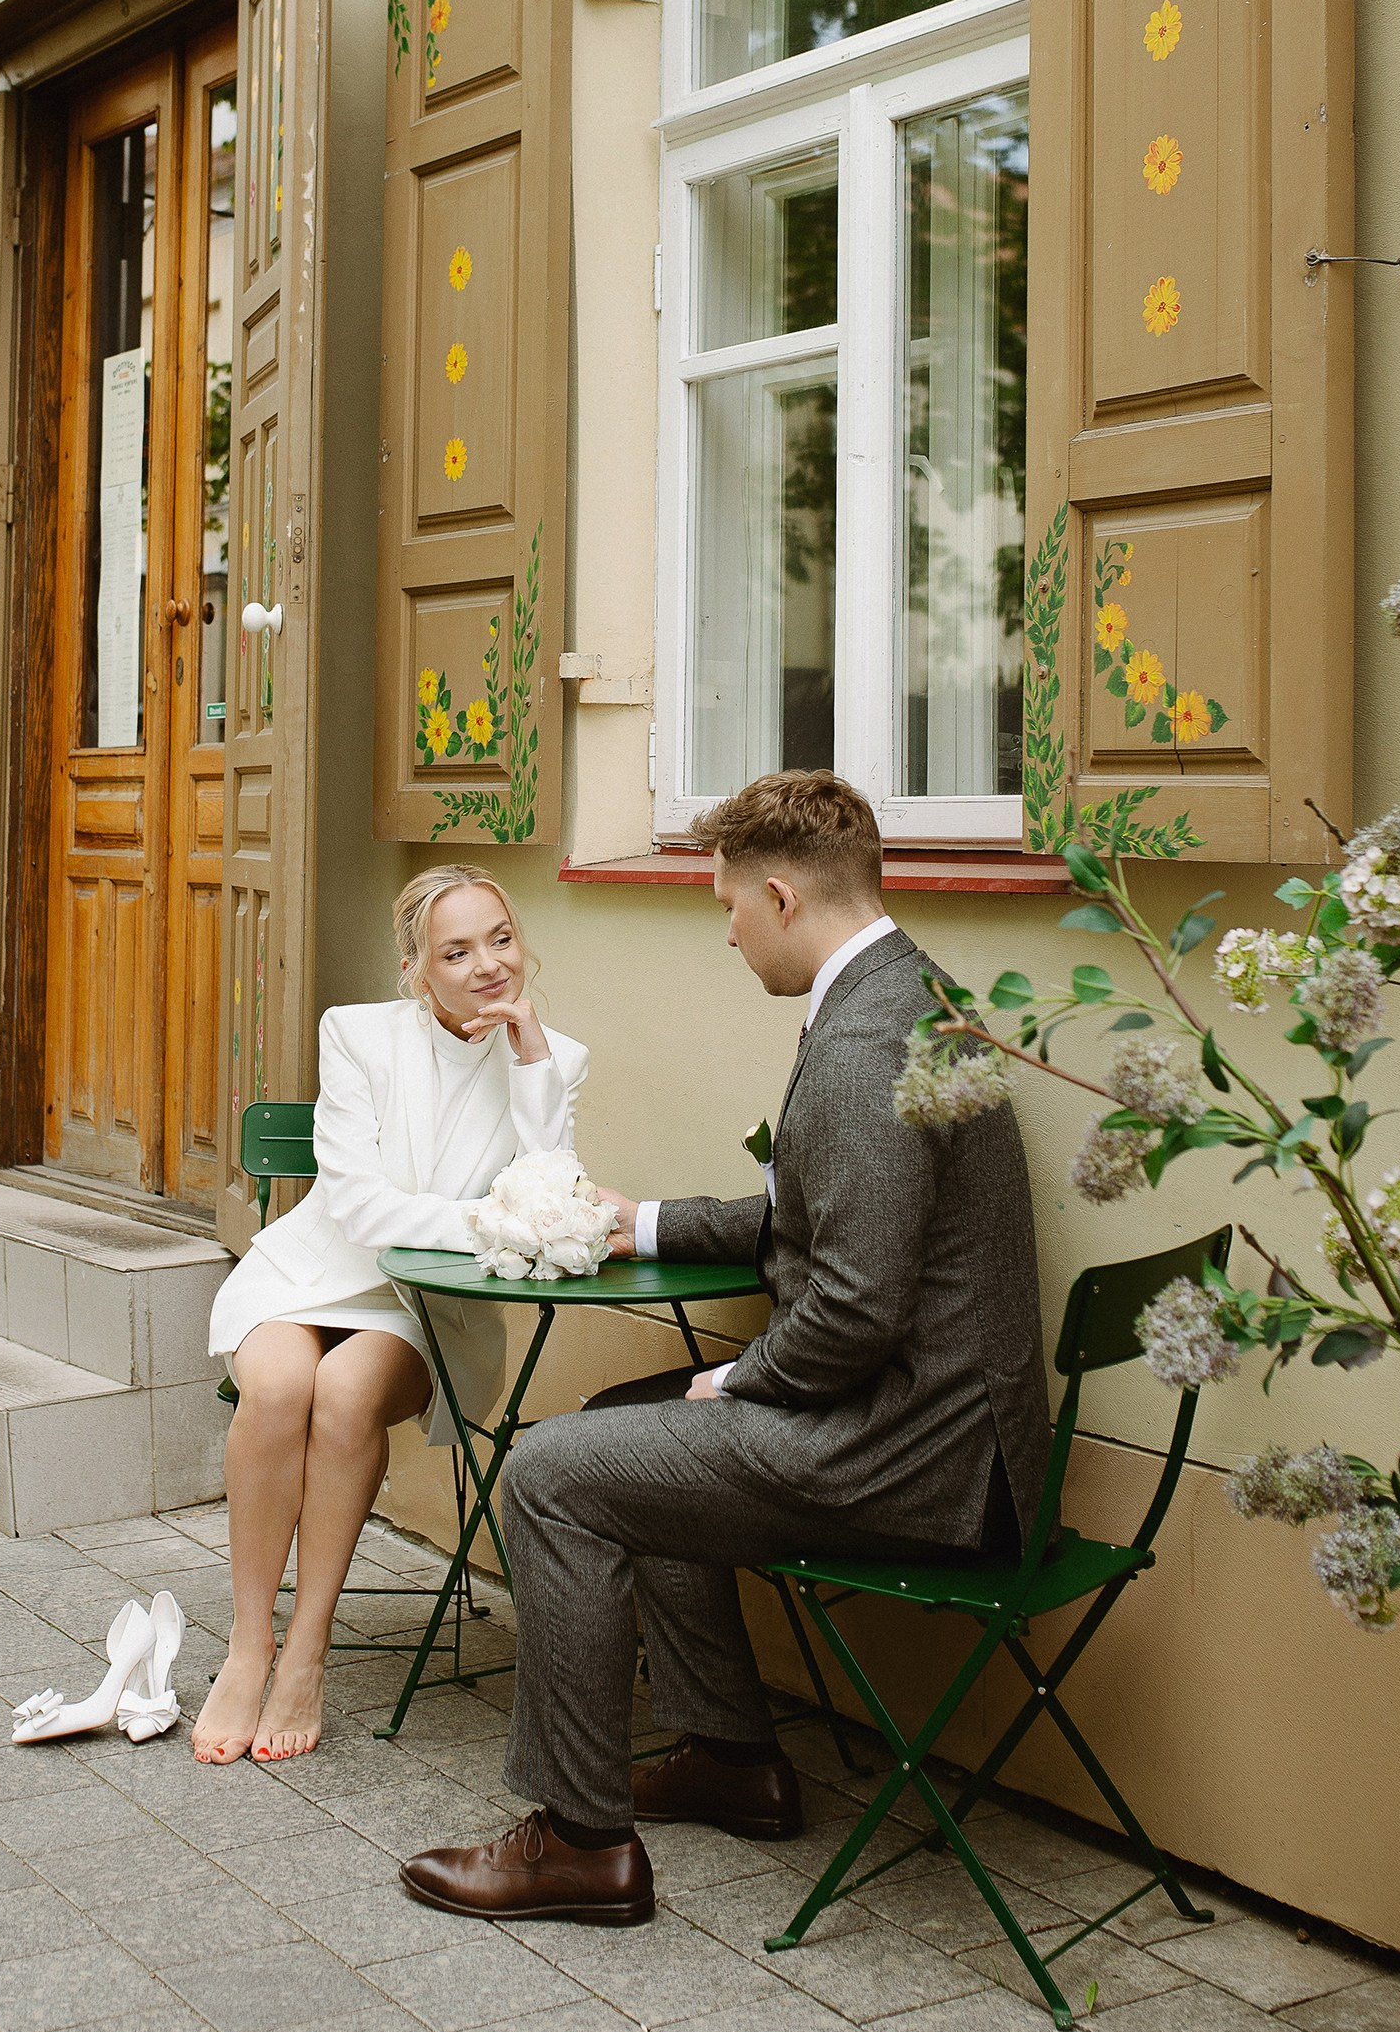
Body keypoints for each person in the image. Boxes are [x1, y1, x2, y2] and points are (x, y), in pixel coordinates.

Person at [400, 767, 1051, 1924]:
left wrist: (739, 1378)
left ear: (780, 897)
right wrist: (639, 1223)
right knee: (620, 1431)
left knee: (547, 1475)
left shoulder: (860, 1048)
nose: (728, 933)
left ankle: (580, 1842)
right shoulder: (909, 991)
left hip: (914, 1455)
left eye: (729, 907)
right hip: (948, 1431)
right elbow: (823, 1217)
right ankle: (729, 1759)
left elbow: (853, 1309)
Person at [198, 864, 588, 1764]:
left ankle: (307, 1648)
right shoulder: (357, 1033)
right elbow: (362, 1209)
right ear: (415, 968)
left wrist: (531, 1060)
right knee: (278, 1385)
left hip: (424, 1301)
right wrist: (497, 1221)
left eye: (500, 938)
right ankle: (249, 1644)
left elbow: (551, 1188)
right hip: (311, 1269)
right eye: (456, 951)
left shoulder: (555, 1059)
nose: (489, 965)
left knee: (342, 1391)